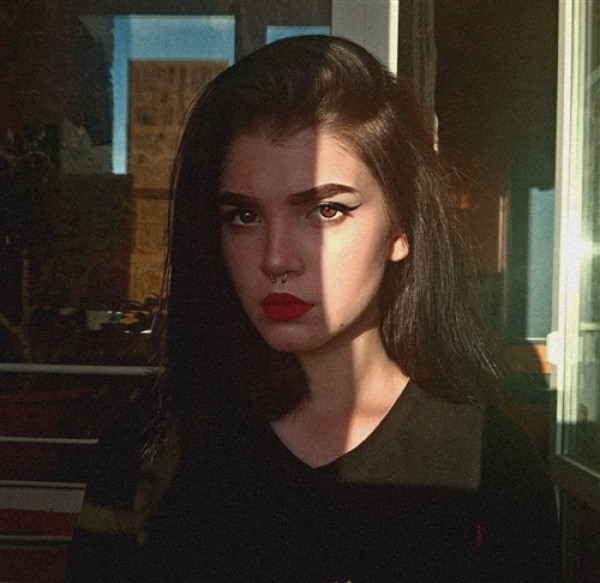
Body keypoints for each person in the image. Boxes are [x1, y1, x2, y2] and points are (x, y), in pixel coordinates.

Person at [66, 35, 563, 582]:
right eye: (244, 217)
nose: (277, 259)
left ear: (401, 228)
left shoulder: (487, 462)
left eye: (326, 210)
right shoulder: (154, 448)